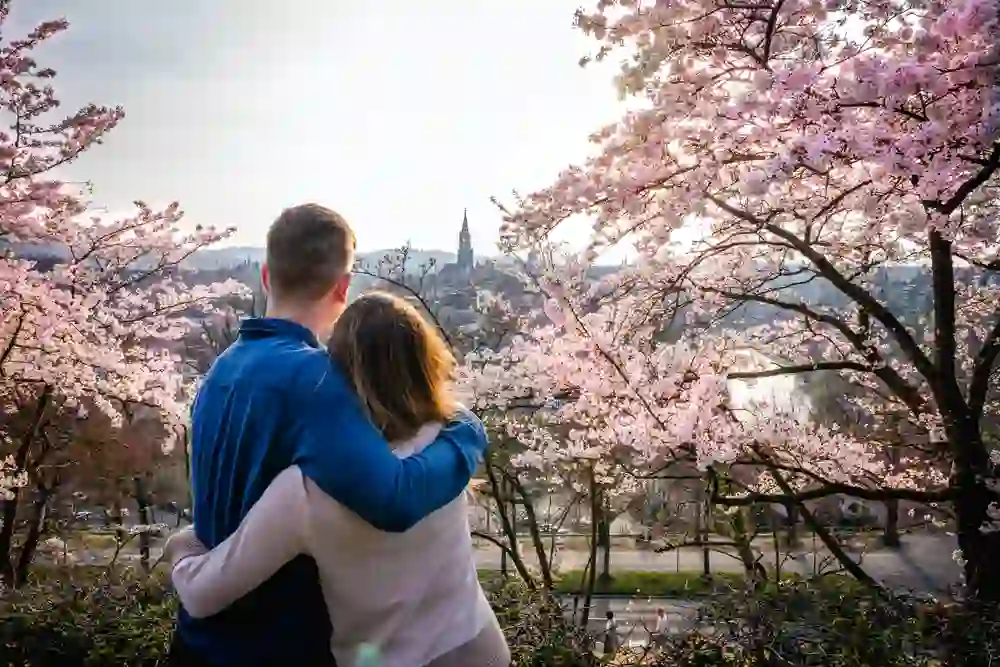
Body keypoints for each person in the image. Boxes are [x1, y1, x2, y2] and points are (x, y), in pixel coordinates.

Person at [168, 205, 488, 667]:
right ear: (343, 287)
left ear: (266, 276)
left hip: (198, 642)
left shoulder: (221, 372)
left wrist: (184, 550)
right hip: (274, 649)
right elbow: (395, 499)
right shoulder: (316, 380)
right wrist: (467, 433)